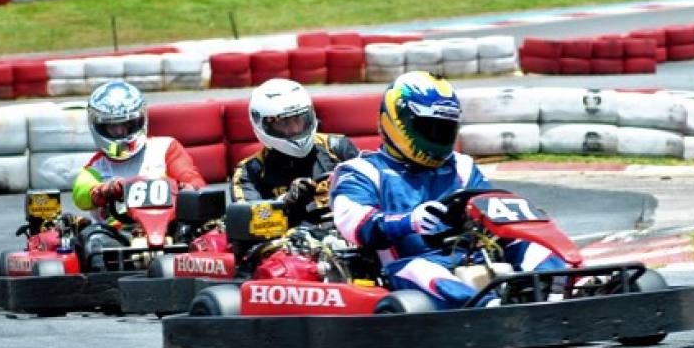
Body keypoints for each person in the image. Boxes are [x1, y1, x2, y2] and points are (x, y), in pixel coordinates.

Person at [330, 71, 565, 309]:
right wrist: (409, 221)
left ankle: (558, 291)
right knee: (421, 270)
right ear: (397, 122)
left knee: (528, 243)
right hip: (405, 267)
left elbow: (491, 206)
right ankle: (489, 308)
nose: (439, 137)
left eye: (445, 129)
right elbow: (356, 225)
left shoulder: (462, 166)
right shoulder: (361, 171)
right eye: (430, 128)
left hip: (469, 256)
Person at [71, 81, 206, 266]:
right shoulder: (96, 168)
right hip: (120, 237)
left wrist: (187, 187)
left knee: (204, 232)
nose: (120, 132)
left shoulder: (166, 148)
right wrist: (105, 190)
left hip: (171, 229)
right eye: (112, 127)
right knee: (93, 239)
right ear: (99, 127)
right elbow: (81, 193)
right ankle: (105, 290)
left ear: (139, 120)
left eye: (126, 125)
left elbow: (192, 179)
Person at [232, 78, 359, 225]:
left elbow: (375, 189)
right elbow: (247, 221)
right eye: (284, 123)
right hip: (295, 242)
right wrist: (285, 202)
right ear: (262, 125)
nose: (294, 129)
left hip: (346, 234)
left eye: (299, 120)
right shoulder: (249, 171)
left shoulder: (338, 147)